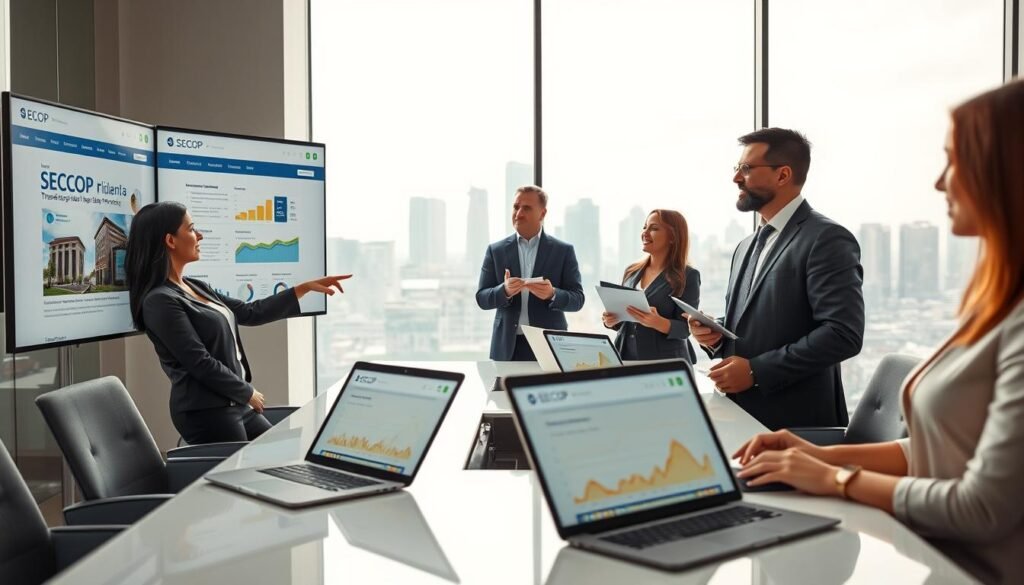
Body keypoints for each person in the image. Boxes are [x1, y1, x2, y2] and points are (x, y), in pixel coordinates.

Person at [733, 81, 1024, 584]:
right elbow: (942, 454)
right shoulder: (998, 305)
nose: (939, 183)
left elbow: (984, 507)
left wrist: (835, 478)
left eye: (955, 160)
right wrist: (815, 454)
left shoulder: (824, 238)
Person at [126, 201, 350, 444]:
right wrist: (247, 392)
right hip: (207, 411)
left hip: (234, 402)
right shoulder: (159, 301)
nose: (199, 235)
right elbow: (199, 361)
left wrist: (301, 289)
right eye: (191, 229)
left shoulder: (195, 286)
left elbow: (250, 312)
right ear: (171, 241)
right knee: (254, 469)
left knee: (283, 452)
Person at [687, 128, 864, 430]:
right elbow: (757, 324)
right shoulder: (746, 246)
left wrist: (757, 371)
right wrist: (716, 335)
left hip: (797, 423)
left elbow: (842, 333)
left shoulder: (826, 238)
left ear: (782, 175)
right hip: (740, 414)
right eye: (736, 168)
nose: (736, 178)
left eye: (746, 168)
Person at [476, 185, 585, 361]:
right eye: (516, 207)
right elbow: (482, 298)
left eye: (526, 208)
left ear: (542, 213)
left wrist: (553, 294)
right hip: (506, 346)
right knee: (504, 390)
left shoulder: (563, 251)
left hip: (550, 344)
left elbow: (578, 299)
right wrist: (504, 290)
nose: (518, 213)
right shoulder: (495, 251)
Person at [601, 209, 701, 362]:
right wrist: (611, 321)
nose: (645, 233)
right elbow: (624, 321)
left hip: (665, 362)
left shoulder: (687, 276)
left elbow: (686, 328)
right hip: (625, 358)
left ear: (673, 237)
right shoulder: (631, 271)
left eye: (654, 228)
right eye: (644, 227)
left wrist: (658, 322)